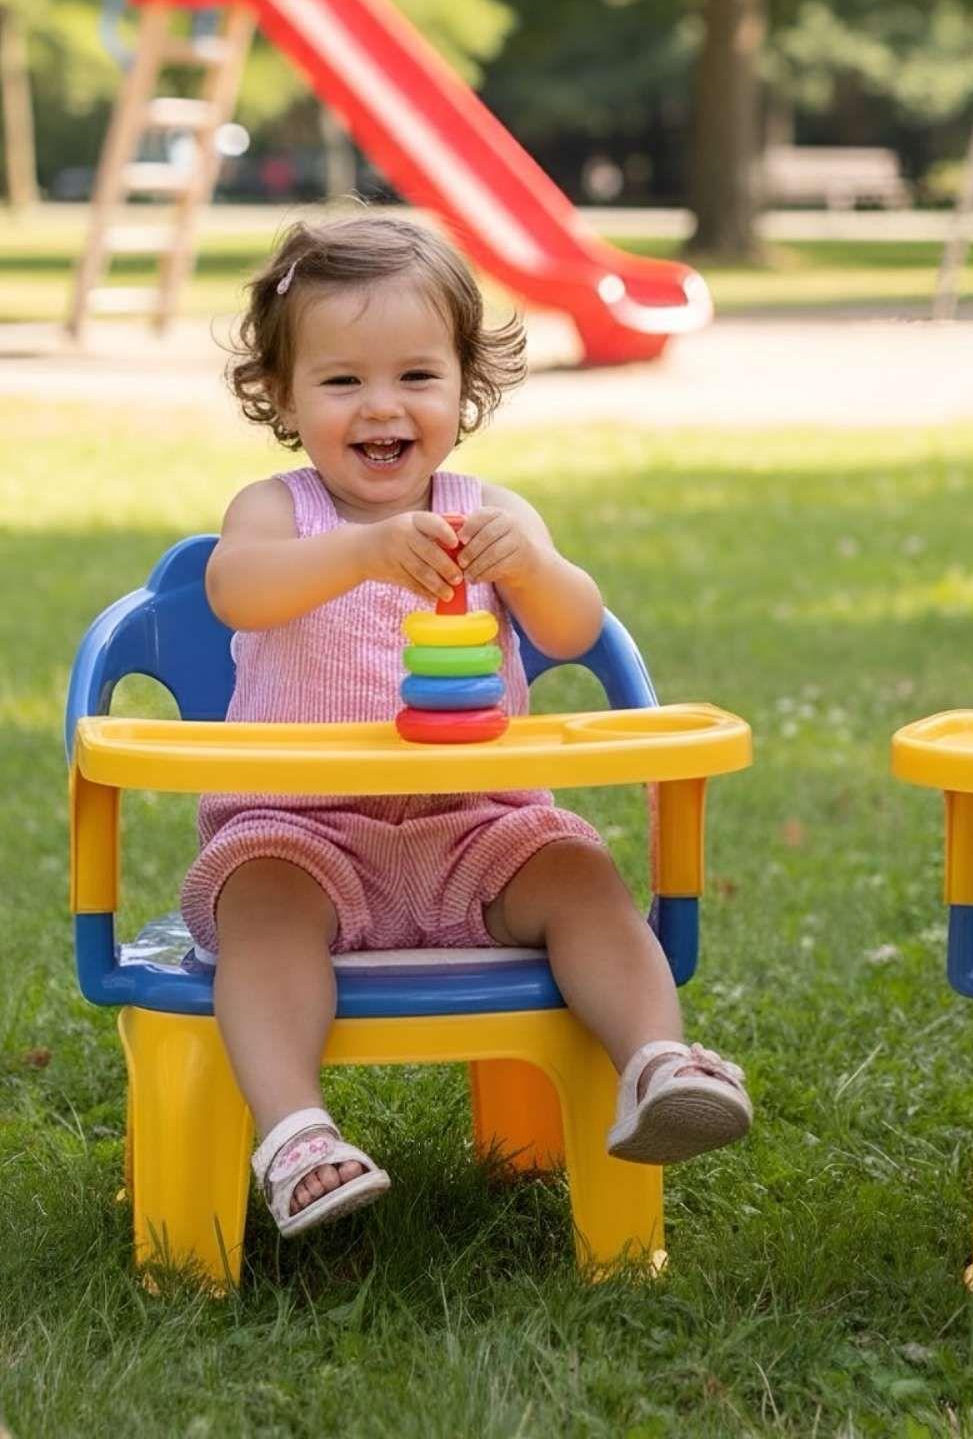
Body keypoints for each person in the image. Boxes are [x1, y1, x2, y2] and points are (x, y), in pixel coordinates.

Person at [189, 214, 751, 1238]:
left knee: (582, 873)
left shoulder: (488, 509)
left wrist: (528, 564)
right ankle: (295, 1133)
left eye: (415, 375)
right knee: (258, 914)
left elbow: (575, 625)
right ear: (282, 395)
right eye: (342, 381)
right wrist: (358, 555)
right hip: (301, 834)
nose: (382, 406)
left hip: (474, 826)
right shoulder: (276, 512)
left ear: (463, 387)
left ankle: (656, 1060)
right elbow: (235, 589)